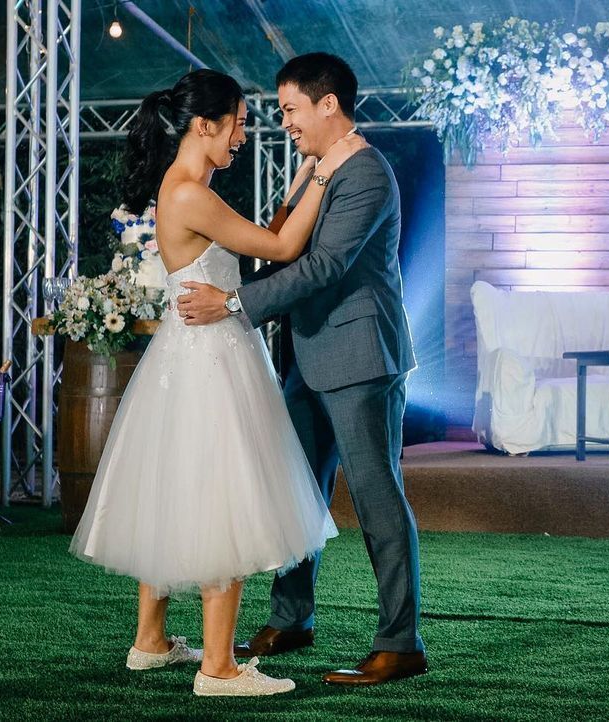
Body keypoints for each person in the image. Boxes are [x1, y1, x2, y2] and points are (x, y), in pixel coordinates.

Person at [69, 68, 366, 697]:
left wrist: (297, 188)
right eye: (237, 124)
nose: (243, 136)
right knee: (221, 496)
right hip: (212, 361)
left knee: (177, 490)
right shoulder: (189, 193)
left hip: (190, 358)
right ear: (205, 125)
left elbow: (256, 244)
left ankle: (151, 641)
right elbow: (284, 249)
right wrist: (324, 170)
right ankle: (219, 667)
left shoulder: (186, 188)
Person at [177, 53, 427, 686]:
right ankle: (292, 618)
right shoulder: (316, 168)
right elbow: (281, 240)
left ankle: (401, 643)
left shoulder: (366, 171)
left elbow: (322, 268)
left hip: (362, 358)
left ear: (328, 105)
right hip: (309, 357)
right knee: (296, 490)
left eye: (289, 109)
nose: (282, 121)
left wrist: (232, 305)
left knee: (376, 498)